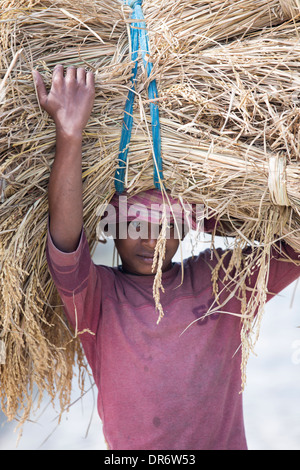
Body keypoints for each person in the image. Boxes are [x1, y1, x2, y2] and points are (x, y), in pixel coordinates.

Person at [34, 65, 300, 450]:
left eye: (168, 225)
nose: (152, 241)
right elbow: (64, 244)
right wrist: (70, 133)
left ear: (189, 227)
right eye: (136, 224)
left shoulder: (219, 282)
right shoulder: (99, 299)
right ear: (110, 227)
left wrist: (219, 218)